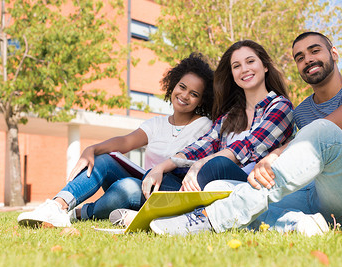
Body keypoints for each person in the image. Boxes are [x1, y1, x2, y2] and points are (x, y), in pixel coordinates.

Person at [148, 32, 342, 237]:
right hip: (318, 198)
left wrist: (276, 153)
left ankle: (211, 218)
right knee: (219, 186)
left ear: (333, 54)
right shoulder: (303, 111)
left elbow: (332, 129)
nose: (308, 59)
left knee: (323, 130)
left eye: (315, 51)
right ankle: (299, 225)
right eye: (300, 57)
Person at [17, 53, 215, 227]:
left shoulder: (204, 125)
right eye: (182, 87)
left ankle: (79, 213)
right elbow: (125, 142)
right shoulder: (156, 124)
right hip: (143, 183)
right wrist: (92, 149)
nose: (185, 95)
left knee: (126, 187)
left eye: (194, 94)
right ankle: (56, 206)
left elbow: (194, 160)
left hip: (171, 190)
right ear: (173, 84)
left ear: (201, 100)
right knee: (104, 160)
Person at [110, 40, 294, 227]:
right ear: (232, 74)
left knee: (218, 163)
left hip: (250, 188)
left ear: (264, 66)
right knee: (157, 177)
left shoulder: (280, 106)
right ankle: (179, 216)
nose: (244, 69)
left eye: (250, 62)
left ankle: (156, 218)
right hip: (214, 191)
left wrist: (199, 165)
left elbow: (246, 147)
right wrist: (161, 167)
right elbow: (203, 145)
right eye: (236, 66)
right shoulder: (230, 115)